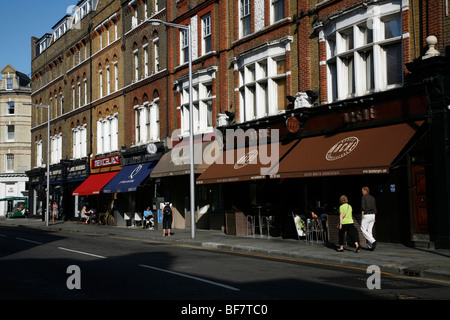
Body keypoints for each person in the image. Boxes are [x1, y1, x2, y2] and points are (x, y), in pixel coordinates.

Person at [361, 187, 377, 251]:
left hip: (367, 215)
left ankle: (373, 241)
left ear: (365, 191)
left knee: (363, 229)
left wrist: (362, 213)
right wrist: (375, 216)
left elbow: (363, 207)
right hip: (373, 215)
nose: (362, 192)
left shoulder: (364, 197)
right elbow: (375, 207)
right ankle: (370, 246)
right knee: (369, 230)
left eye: (362, 190)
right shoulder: (372, 198)